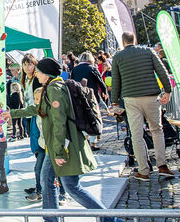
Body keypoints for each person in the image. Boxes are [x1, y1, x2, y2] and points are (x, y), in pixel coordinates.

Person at [10, 57, 121, 222]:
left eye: (39, 71)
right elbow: (38, 109)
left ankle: (110, 219)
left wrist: (60, 151)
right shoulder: (51, 87)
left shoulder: (54, 89)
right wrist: (11, 114)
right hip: (58, 145)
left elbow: (59, 122)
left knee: (70, 186)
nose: (36, 74)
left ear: (46, 74)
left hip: (62, 145)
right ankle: (51, 218)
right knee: (48, 179)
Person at [111, 31, 174, 181]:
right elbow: (162, 71)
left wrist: (114, 102)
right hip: (151, 96)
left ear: (123, 41)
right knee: (157, 130)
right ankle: (162, 165)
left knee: (136, 134)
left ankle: (143, 170)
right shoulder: (148, 51)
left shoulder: (118, 57)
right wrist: (168, 91)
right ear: (135, 40)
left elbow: (115, 81)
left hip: (131, 98)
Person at [26, 87, 45, 202]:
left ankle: (62, 192)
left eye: (39, 98)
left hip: (48, 147)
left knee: (42, 170)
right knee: (39, 169)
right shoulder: (35, 112)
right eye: (35, 98)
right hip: (40, 146)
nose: (36, 101)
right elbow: (34, 133)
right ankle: (40, 191)